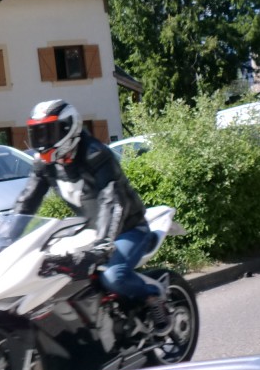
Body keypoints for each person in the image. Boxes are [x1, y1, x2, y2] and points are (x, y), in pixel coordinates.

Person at [13, 99, 171, 335]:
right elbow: (27, 200)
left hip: (128, 228)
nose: (43, 141)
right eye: (38, 133)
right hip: (91, 230)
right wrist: (6, 238)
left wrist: (103, 244)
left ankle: (153, 295)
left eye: (49, 132)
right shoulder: (45, 163)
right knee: (55, 272)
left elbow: (111, 199)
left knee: (113, 276)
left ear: (69, 128)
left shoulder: (95, 154)